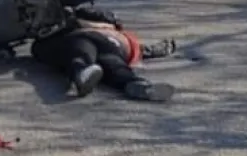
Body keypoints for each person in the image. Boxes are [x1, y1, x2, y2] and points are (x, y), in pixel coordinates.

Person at [31, 7, 176, 102]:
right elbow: (146, 50)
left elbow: (40, 48)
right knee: (113, 66)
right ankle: (135, 84)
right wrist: (164, 48)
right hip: (116, 49)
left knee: (82, 53)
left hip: (91, 41)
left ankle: (81, 73)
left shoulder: (77, 25)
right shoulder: (121, 34)